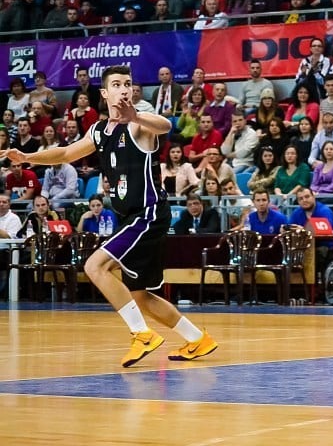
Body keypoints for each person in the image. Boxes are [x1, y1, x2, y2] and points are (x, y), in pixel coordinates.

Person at [0, 65, 217, 366]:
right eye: (116, 84)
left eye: (128, 83)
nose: (124, 88)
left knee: (94, 265)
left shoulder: (139, 125)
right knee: (140, 296)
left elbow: (166, 125)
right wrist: (27, 158)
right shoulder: (99, 131)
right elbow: (64, 154)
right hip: (134, 218)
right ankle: (197, 339)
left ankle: (141, 334)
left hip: (149, 214)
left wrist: (136, 116)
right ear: (104, 93)